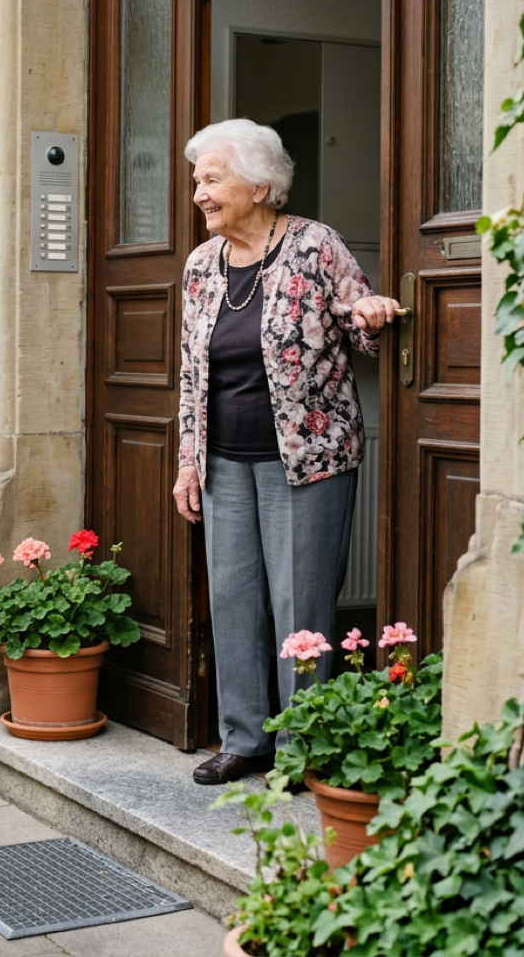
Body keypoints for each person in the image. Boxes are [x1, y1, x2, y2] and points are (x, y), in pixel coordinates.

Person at [172, 119, 401, 786]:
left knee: (302, 607)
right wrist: (188, 461)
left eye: (212, 180)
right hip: (222, 462)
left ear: (259, 185)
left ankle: (304, 745)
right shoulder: (201, 266)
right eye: (197, 181)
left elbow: (362, 326)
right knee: (233, 599)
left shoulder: (315, 245)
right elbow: (191, 372)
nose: (199, 194)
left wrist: (373, 314)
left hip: (308, 461)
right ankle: (244, 739)